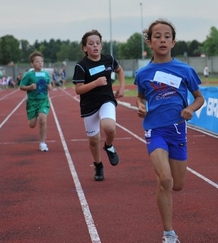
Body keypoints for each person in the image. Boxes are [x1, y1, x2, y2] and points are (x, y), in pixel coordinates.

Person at [134, 19, 205, 243]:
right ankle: (169, 234)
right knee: (165, 180)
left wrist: (190, 109)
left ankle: (166, 190)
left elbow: (199, 98)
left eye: (167, 36)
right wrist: (139, 105)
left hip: (177, 130)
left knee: (177, 185)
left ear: (173, 42)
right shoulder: (143, 74)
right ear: (150, 42)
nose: (162, 39)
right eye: (157, 36)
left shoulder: (185, 70)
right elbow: (141, 96)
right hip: (155, 130)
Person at [72, 29, 125, 181]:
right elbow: (78, 89)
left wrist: (122, 87)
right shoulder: (81, 66)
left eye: (98, 43)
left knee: (109, 126)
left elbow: (119, 70)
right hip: (89, 106)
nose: (95, 46)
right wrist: (95, 83)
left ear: (101, 46)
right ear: (84, 48)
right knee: (94, 141)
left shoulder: (109, 59)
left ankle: (109, 145)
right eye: (91, 44)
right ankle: (98, 165)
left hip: (106, 100)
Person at [19, 51, 52, 152]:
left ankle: (42, 143)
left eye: (41, 61)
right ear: (32, 63)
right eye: (37, 61)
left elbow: (49, 84)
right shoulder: (28, 75)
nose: (40, 63)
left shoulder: (46, 74)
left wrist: (49, 86)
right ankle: (35, 116)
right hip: (32, 102)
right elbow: (21, 86)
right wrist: (29, 87)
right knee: (32, 125)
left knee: (43, 121)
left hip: (43, 101)